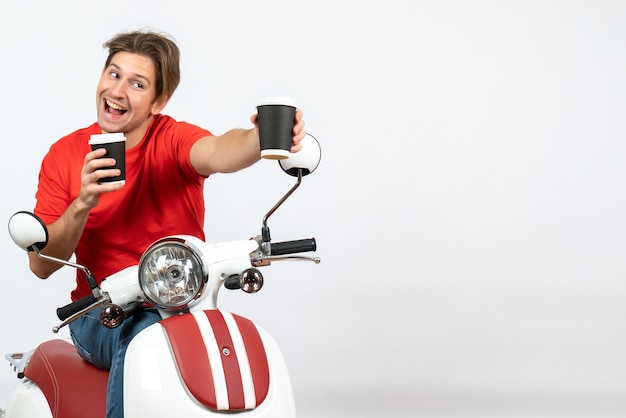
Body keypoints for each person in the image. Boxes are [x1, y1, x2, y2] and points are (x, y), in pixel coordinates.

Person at [27, 29, 306, 418]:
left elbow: (218, 151)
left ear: (159, 100)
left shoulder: (172, 139)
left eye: (137, 84)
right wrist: (84, 202)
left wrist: (259, 138)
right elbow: (42, 264)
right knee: (147, 337)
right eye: (113, 74)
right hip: (100, 312)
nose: (118, 90)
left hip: (183, 303)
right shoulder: (64, 155)